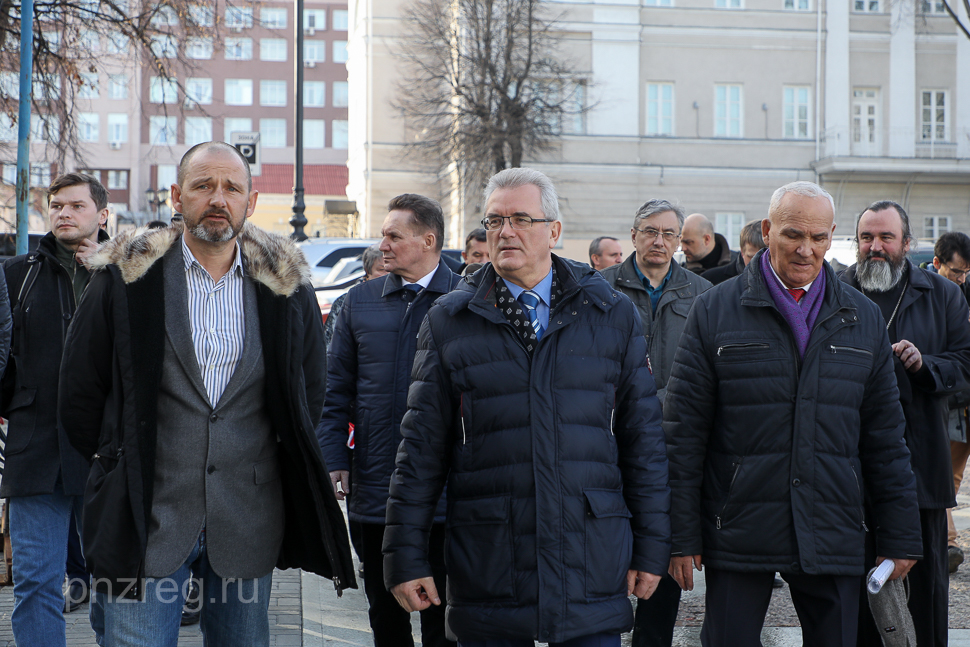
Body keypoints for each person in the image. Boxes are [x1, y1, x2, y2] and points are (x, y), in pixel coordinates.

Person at [58, 141, 355, 646]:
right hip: (145, 515)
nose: (218, 198)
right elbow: (79, 393)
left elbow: (307, 393)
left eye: (232, 188)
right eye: (203, 186)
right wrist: (115, 465)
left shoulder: (285, 290)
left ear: (250, 202)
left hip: (247, 517)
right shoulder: (126, 281)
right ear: (177, 197)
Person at [383, 167, 670, 645]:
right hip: (491, 560)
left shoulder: (610, 314)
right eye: (495, 221)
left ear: (553, 231)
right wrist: (405, 558)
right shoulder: (450, 320)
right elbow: (420, 451)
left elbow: (644, 442)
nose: (505, 232)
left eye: (521, 219)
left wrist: (652, 546)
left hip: (590, 558)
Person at [665, 181, 923, 647]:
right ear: (767, 231)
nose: (807, 250)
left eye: (819, 237)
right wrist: (681, 536)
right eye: (793, 235)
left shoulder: (862, 317)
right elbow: (683, 433)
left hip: (833, 524)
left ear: (832, 236)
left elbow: (885, 437)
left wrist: (901, 534)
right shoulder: (714, 311)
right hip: (739, 526)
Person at [317, 194, 460, 647]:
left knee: (445, 621)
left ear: (428, 241)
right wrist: (333, 456)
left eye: (394, 236)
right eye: (383, 235)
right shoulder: (358, 302)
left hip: (449, 493)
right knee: (385, 615)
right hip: (377, 485)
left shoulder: (467, 300)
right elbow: (334, 390)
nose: (383, 245)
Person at [840, 201, 970, 647]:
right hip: (848, 467)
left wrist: (923, 365)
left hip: (920, 466)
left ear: (908, 243)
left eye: (886, 237)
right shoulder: (835, 290)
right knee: (853, 598)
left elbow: (965, 363)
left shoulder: (943, 294)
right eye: (866, 237)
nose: (875, 246)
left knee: (923, 594)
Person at [1, 172, 105, 647]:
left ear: (102, 214)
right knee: (35, 584)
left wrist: (106, 268)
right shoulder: (17, 273)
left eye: (76, 205)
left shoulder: (128, 273)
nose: (64, 213)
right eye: (57, 205)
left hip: (107, 451)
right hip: (35, 448)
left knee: (117, 583)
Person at [600, 200, 709, 647]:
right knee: (606, 551)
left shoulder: (702, 293)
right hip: (609, 441)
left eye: (668, 233)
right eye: (649, 231)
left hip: (674, 446)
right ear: (633, 235)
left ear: (679, 240)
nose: (658, 241)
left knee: (663, 551)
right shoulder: (600, 288)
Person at [929, 232, 970, 574]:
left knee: (949, 476)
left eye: (967, 272)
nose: (962, 278)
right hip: (950, 401)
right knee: (945, 476)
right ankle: (947, 543)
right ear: (937, 263)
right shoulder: (928, 295)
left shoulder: (963, 288)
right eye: (957, 271)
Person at [323, 244, 387, 352]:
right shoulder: (346, 302)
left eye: (390, 270)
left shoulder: (402, 299)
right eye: (381, 270)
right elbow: (330, 346)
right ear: (367, 271)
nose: (387, 275)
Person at [703, 219, 765, 285]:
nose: (759, 263)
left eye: (765, 257)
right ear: (742, 252)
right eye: (752, 257)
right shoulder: (710, 279)